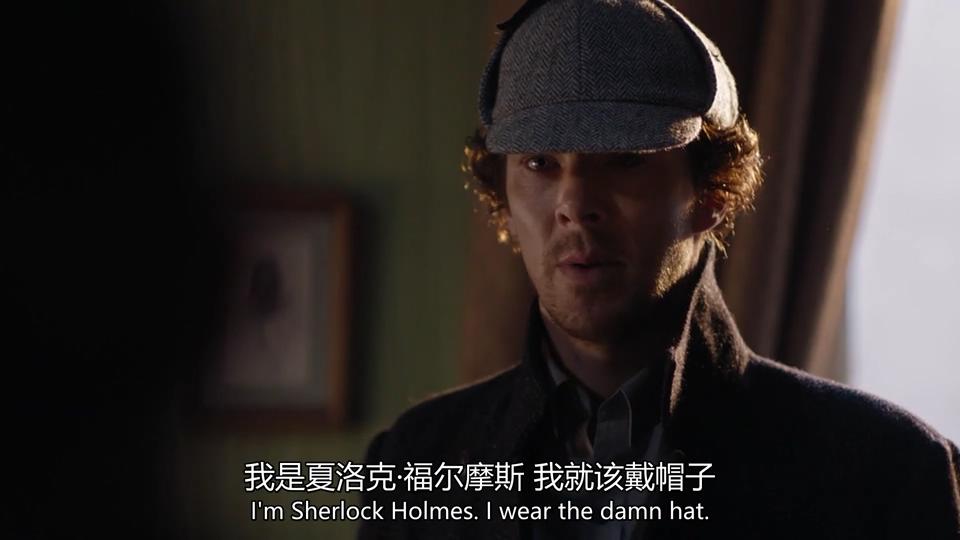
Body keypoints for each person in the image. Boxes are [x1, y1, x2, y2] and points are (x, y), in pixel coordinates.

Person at [359, 1, 960, 538]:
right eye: (540, 162)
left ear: (712, 192)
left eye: (625, 159)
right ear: (505, 200)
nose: (575, 203)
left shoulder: (884, 471)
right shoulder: (416, 462)